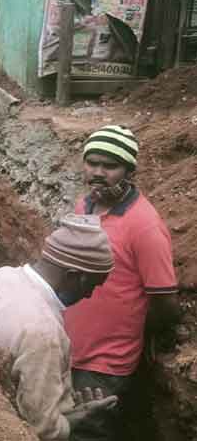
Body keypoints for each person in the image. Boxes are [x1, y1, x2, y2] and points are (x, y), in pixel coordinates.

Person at [64, 125, 179, 441]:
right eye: (92, 163)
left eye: (110, 166)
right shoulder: (83, 206)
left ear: (129, 171)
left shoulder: (144, 226)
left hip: (104, 365)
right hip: (66, 348)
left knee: (88, 434)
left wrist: (137, 339)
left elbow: (165, 302)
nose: (98, 173)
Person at [0, 214, 118, 441]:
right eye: (93, 285)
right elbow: (42, 430)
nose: (89, 295)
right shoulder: (44, 334)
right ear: (75, 276)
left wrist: (63, 403)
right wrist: (80, 418)